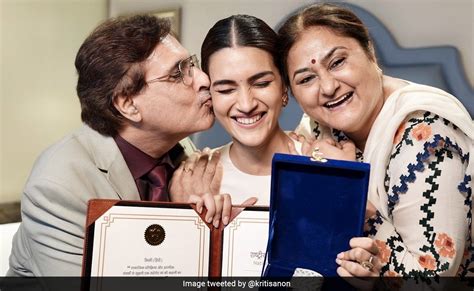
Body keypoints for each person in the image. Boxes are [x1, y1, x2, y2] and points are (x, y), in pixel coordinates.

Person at [7, 14, 230, 276]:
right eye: (178, 73)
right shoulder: (57, 186)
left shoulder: (181, 148)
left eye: (192, 64)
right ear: (128, 104)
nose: (204, 80)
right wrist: (181, 218)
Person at [278, 2, 473, 283]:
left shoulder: (427, 136)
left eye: (338, 62)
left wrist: (348, 189)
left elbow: (431, 281)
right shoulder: (318, 130)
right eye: (307, 78)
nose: (328, 87)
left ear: (369, 51)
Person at [199, 14, 304, 206]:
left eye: (261, 84)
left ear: (284, 86)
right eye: (226, 90)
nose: (246, 105)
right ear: (210, 96)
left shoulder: (322, 161)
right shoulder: (197, 179)